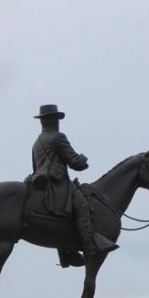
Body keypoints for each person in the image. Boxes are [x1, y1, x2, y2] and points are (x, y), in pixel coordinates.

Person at [27, 104, 116, 262]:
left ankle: (66, 252)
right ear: (54, 120)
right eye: (56, 119)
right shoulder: (58, 137)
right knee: (82, 207)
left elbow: (36, 166)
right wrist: (83, 158)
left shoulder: (37, 141)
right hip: (57, 183)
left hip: (40, 181)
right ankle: (90, 246)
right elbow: (75, 163)